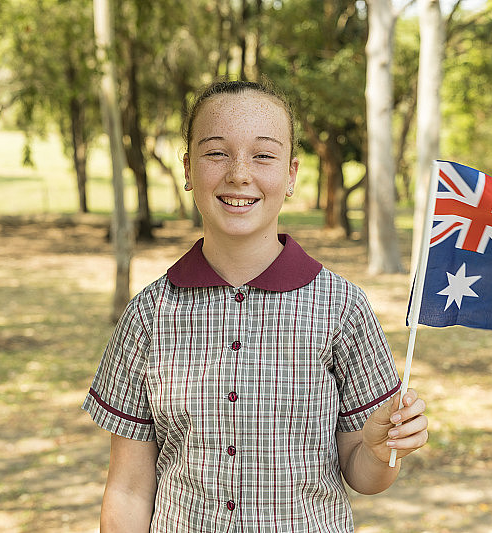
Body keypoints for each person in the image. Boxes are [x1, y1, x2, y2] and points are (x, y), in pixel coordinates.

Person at [82, 79, 428, 532]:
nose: (239, 173)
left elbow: (363, 474)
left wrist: (382, 450)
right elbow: (128, 488)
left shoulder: (342, 308)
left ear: (290, 174)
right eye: (216, 152)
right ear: (187, 169)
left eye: (263, 155)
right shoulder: (149, 313)